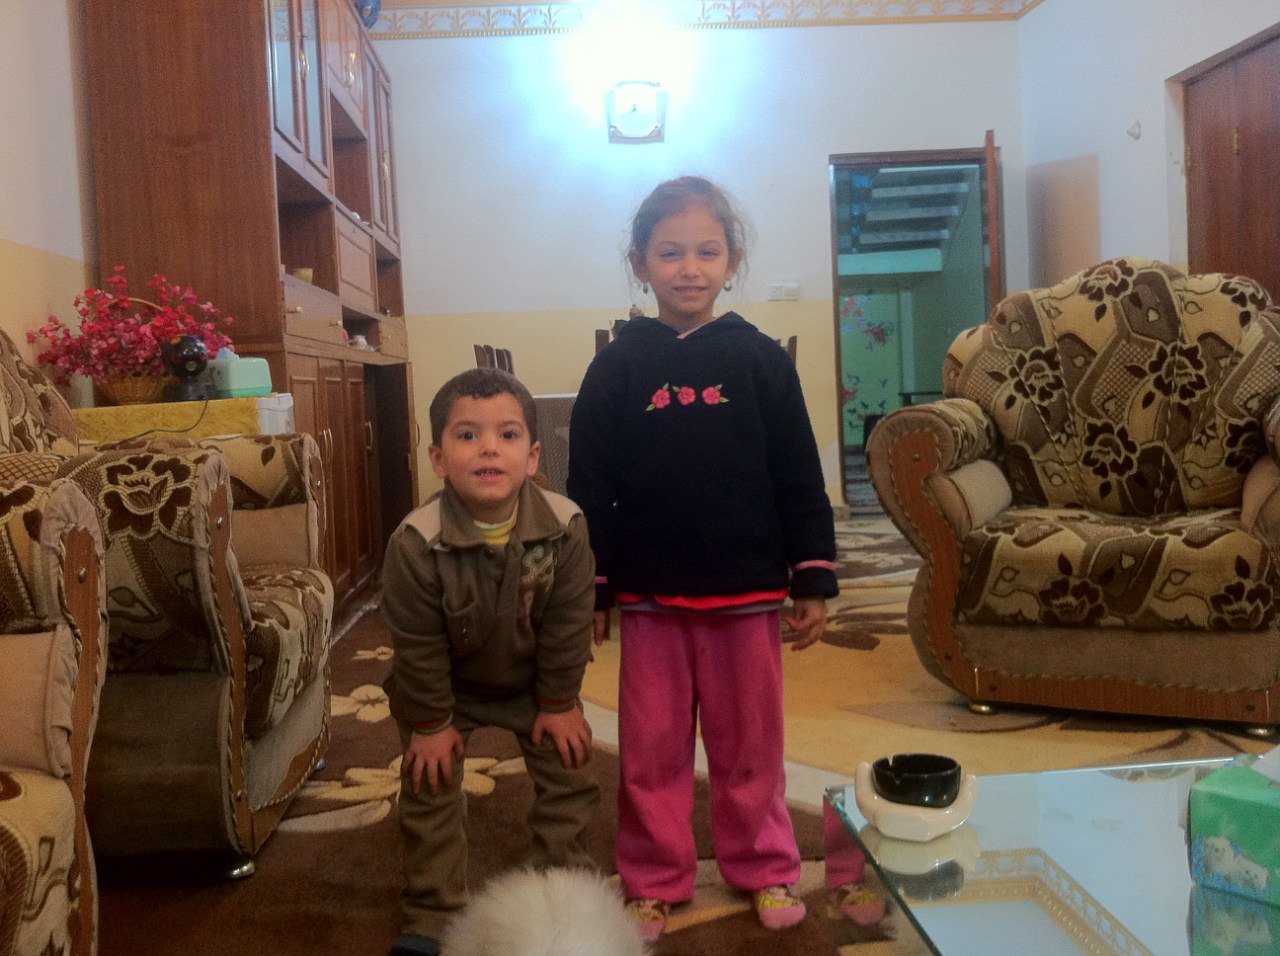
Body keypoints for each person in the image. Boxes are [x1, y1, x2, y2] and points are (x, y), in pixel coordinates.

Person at [567, 175, 839, 939]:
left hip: (746, 595)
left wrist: (811, 576)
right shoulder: (616, 367)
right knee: (651, 749)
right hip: (651, 598)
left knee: (750, 745)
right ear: (640, 263)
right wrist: (591, 586)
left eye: (707, 251)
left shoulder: (760, 360)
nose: (689, 267)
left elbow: (798, 473)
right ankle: (653, 878)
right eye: (670, 252)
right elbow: (589, 485)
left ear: (732, 260)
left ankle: (765, 866)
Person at [381, 367, 600, 956]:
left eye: (507, 435)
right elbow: (416, 643)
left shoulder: (566, 526)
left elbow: (570, 624)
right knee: (428, 783)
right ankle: (432, 913)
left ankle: (564, 890)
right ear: (438, 458)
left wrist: (559, 702)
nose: (488, 448)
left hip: (535, 684)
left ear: (532, 456)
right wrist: (431, 722)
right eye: (467, 435)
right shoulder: (415, 541)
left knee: (571, 770)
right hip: (445, 689)